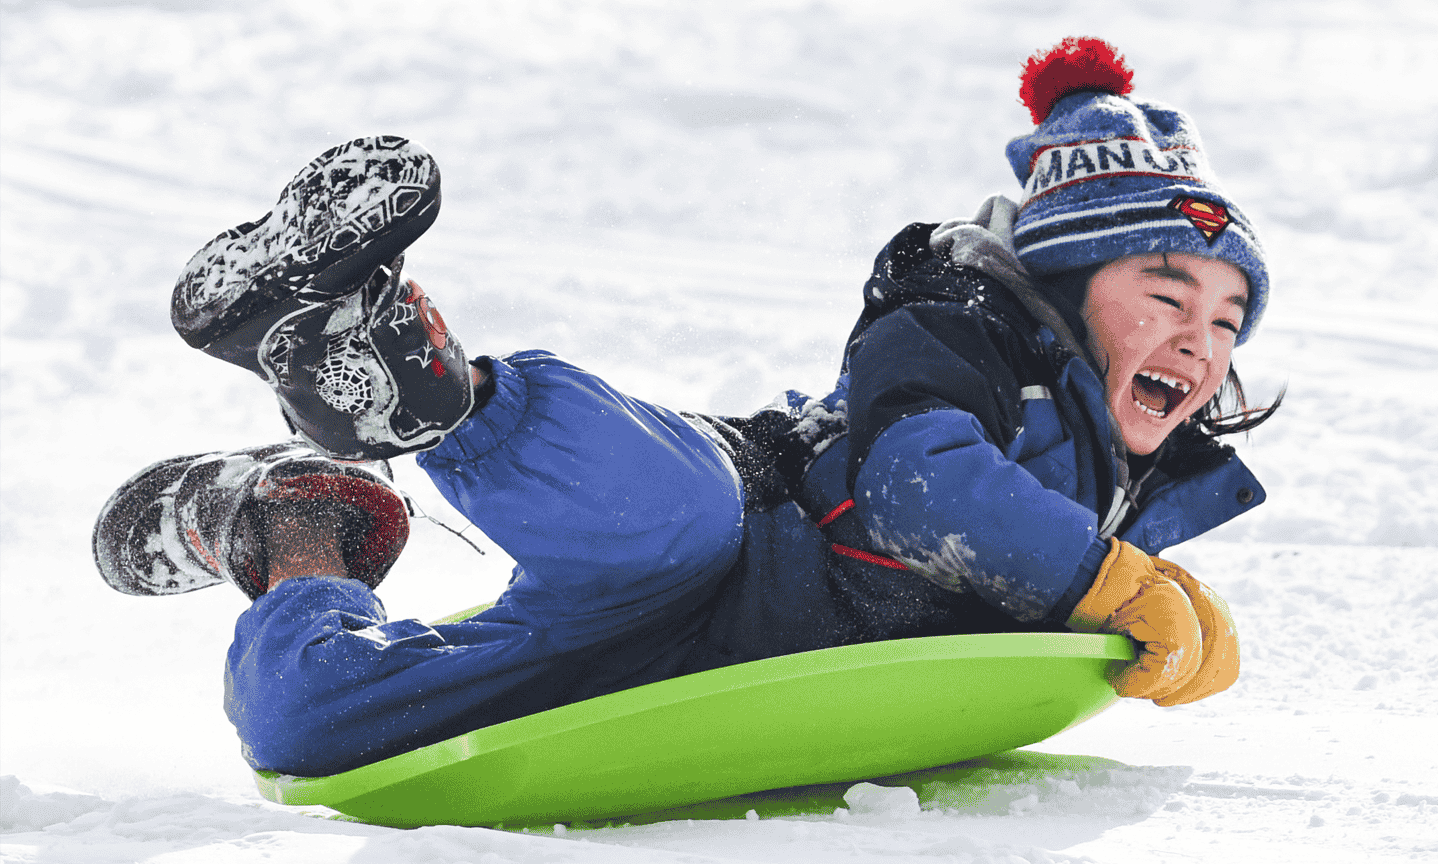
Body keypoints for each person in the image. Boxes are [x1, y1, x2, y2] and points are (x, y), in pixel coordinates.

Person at [93, 38, 1279, 777]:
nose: (1198, 334)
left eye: (1228, 319)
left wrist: (1129, 606)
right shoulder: (956, 333)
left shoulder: (1128, 479)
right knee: (662, 511)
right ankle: (413, 383)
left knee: (311, 726)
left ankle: (292, 519)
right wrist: (1113, 583)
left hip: (685, 676)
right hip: (737, 531)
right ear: (1064, 288)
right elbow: (921, 487)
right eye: (1164, 289)